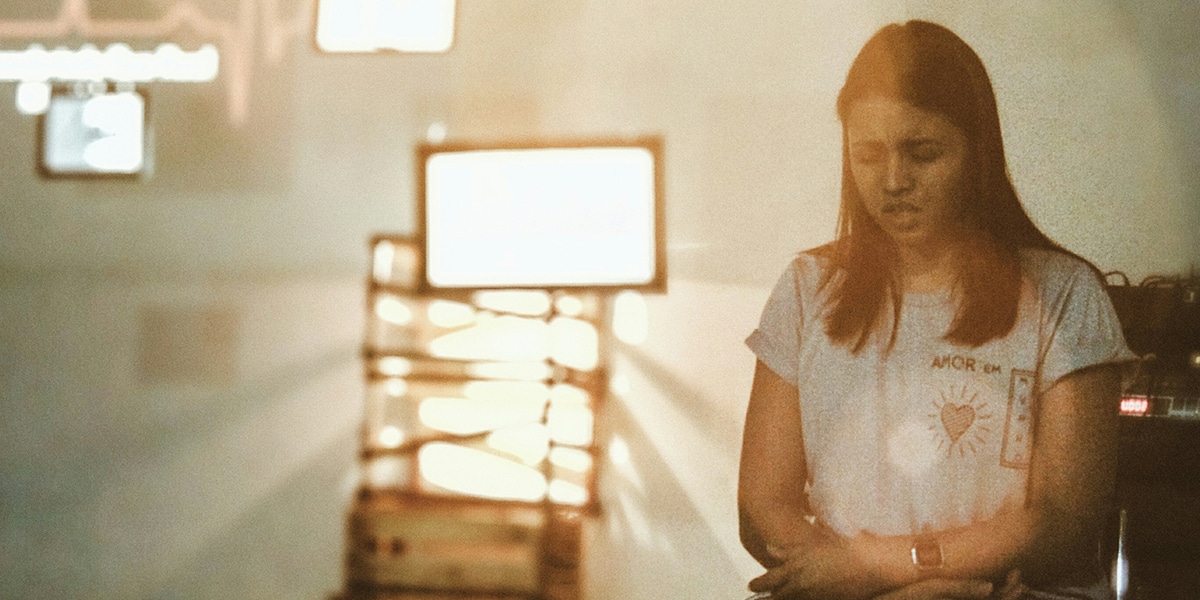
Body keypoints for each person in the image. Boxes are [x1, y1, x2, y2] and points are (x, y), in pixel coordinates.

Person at [738, 20, 1137, 600]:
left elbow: (1064, 523)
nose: (894, 180)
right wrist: (852, 580)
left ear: (978, 151)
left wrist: (888, 567)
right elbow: (762, 504)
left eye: (922, 153)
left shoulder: (1065, 294)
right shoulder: (807, 287)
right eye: (868, 155)